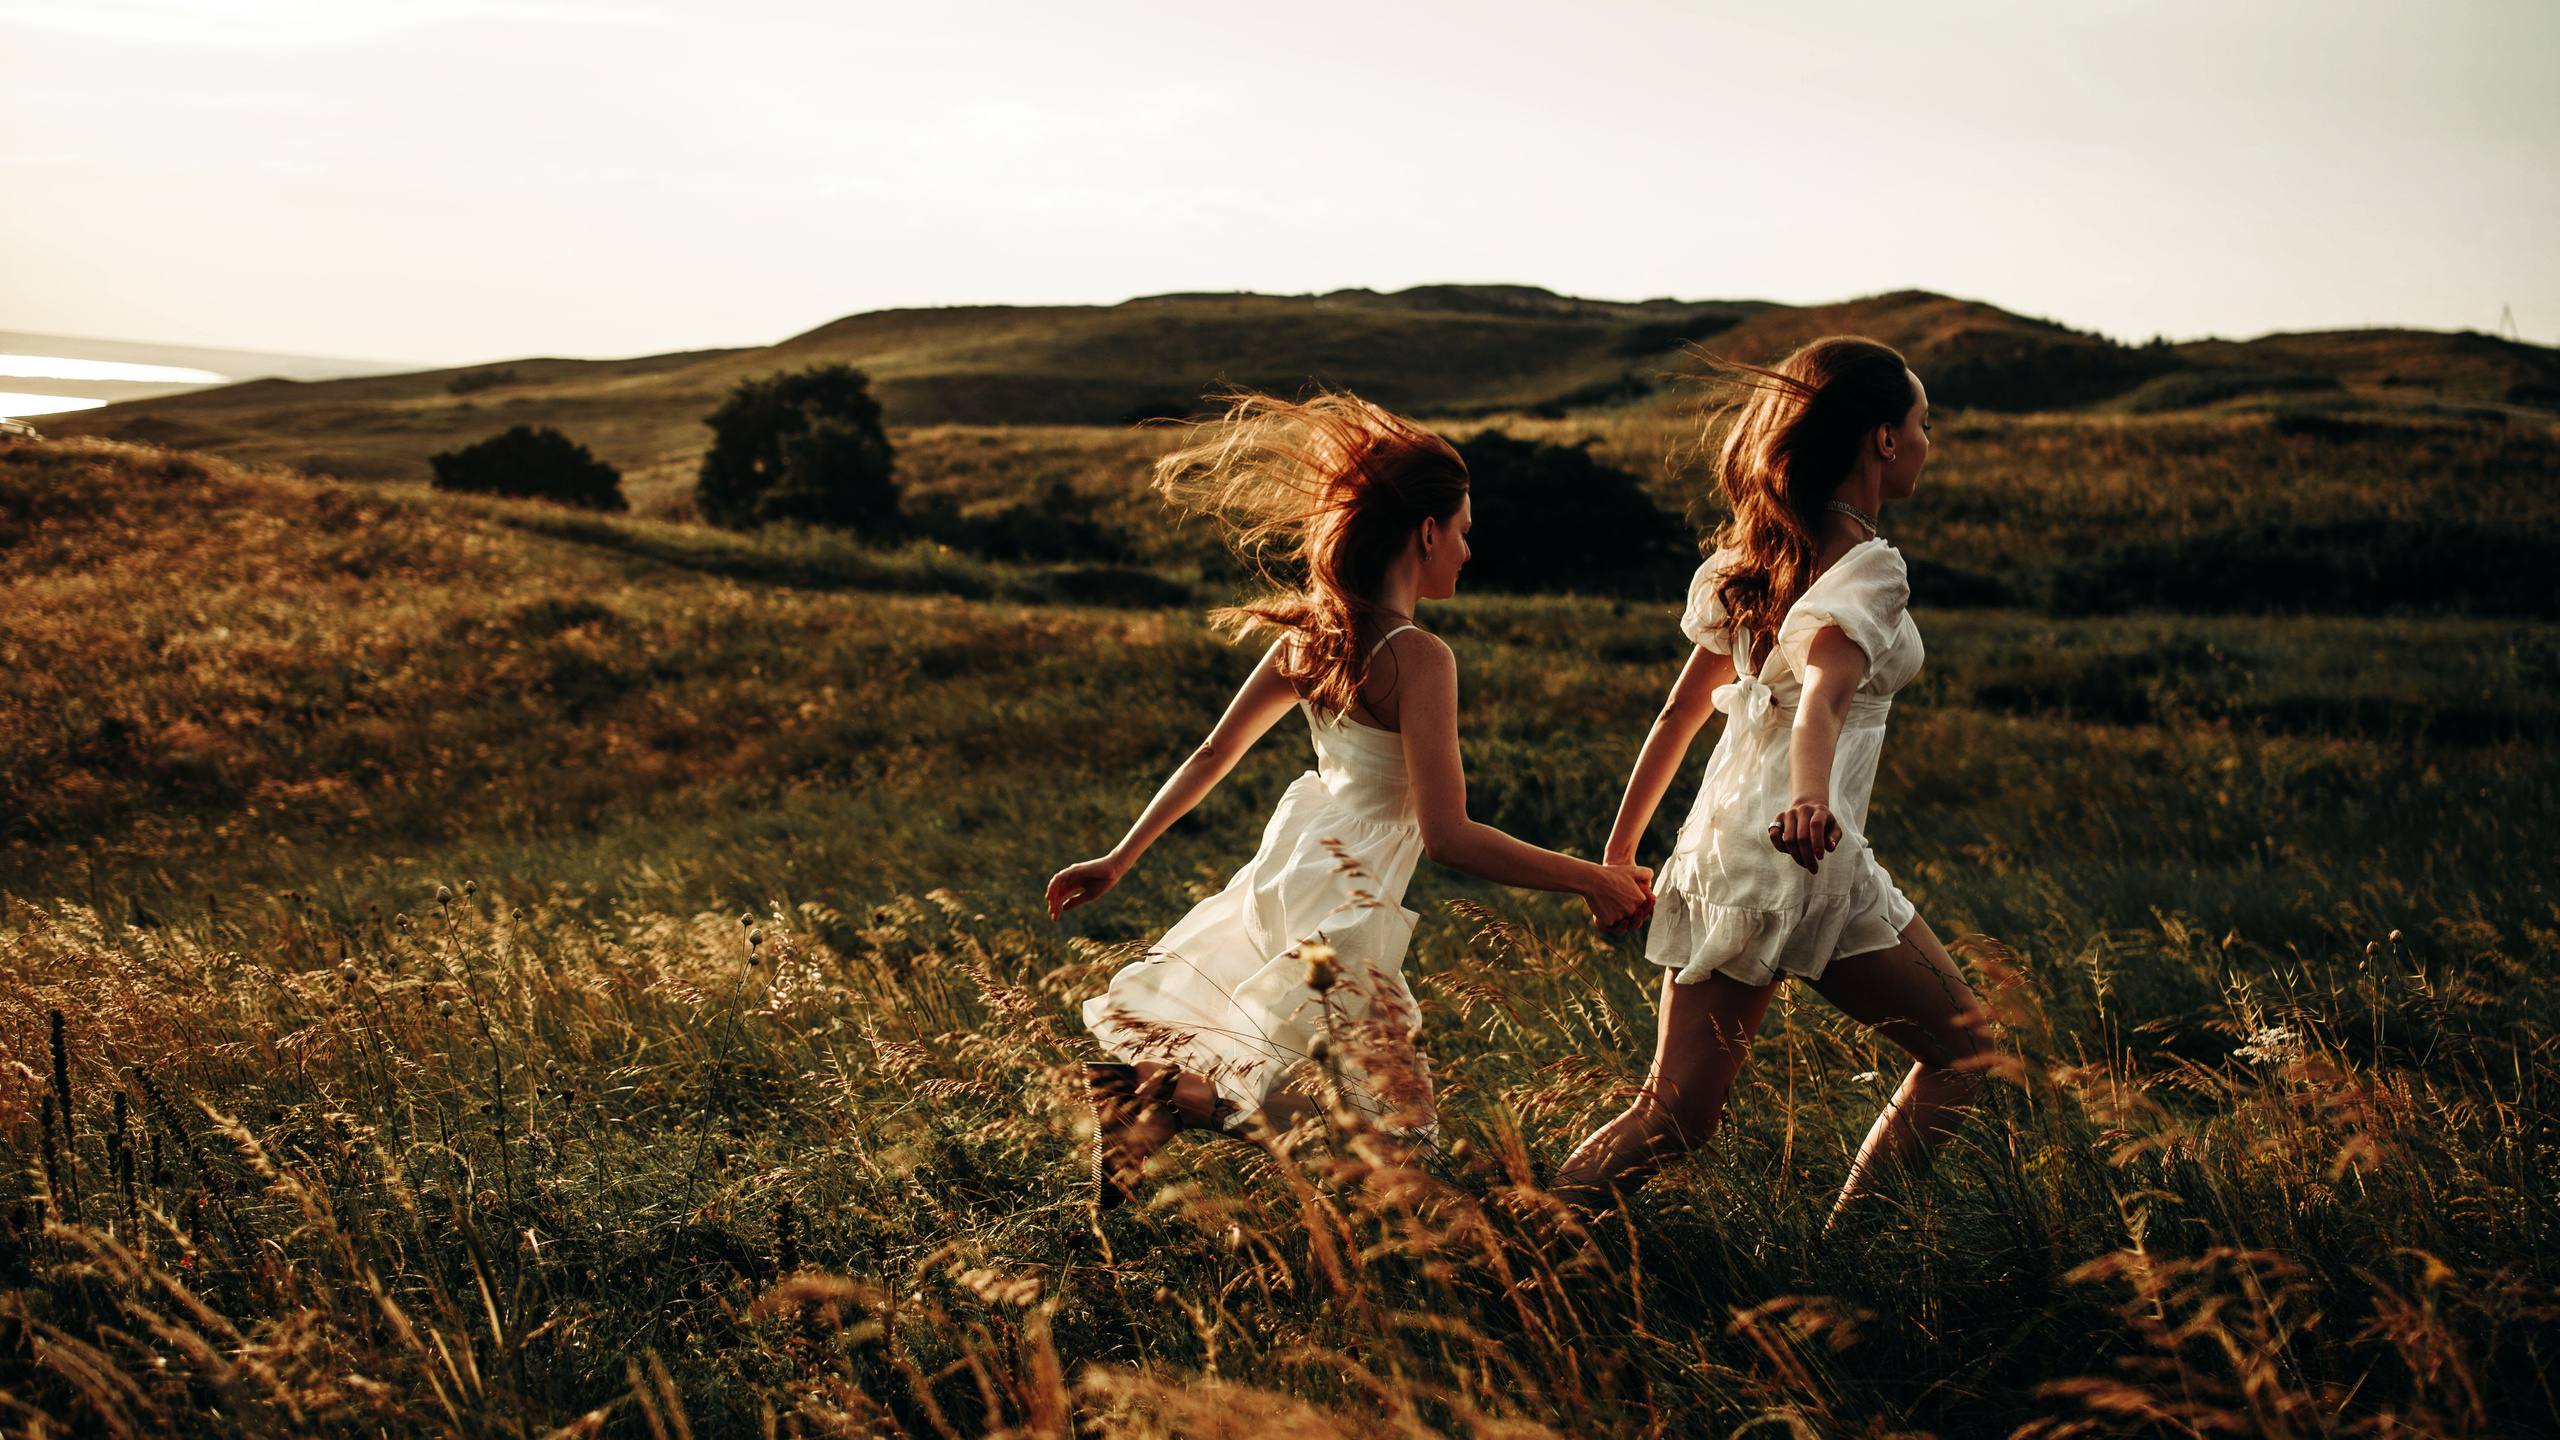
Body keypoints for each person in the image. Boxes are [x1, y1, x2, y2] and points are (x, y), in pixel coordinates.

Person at [1047, 392, 1657, 1209]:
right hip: (1348, 898)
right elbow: (1448, 837)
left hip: (1292, 873)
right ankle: (1162, 1099)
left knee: (1344, 1093)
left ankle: (1157, 1105)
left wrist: (1120, 857)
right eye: (1465, 531)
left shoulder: (1309, 636)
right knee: (1382, 1126)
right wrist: (1592, 877)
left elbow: (1211, 753)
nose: (1469, 552)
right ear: (1428, 532)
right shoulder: (1418, 656)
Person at [1553, 336, 1992, 1232]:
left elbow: (1680, 714)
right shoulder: (1870, 566)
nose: (1926, 441)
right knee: (1967, 1051)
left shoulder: (1750, 559)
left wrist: (1620, 854)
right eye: (1922, 423)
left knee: (1673, 1116)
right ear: (1880, 440)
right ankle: (1846, 1252)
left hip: (1737, 847)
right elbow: (1825, 692)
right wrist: (1810, 799)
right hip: (1801, 845)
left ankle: (1523, 1244)